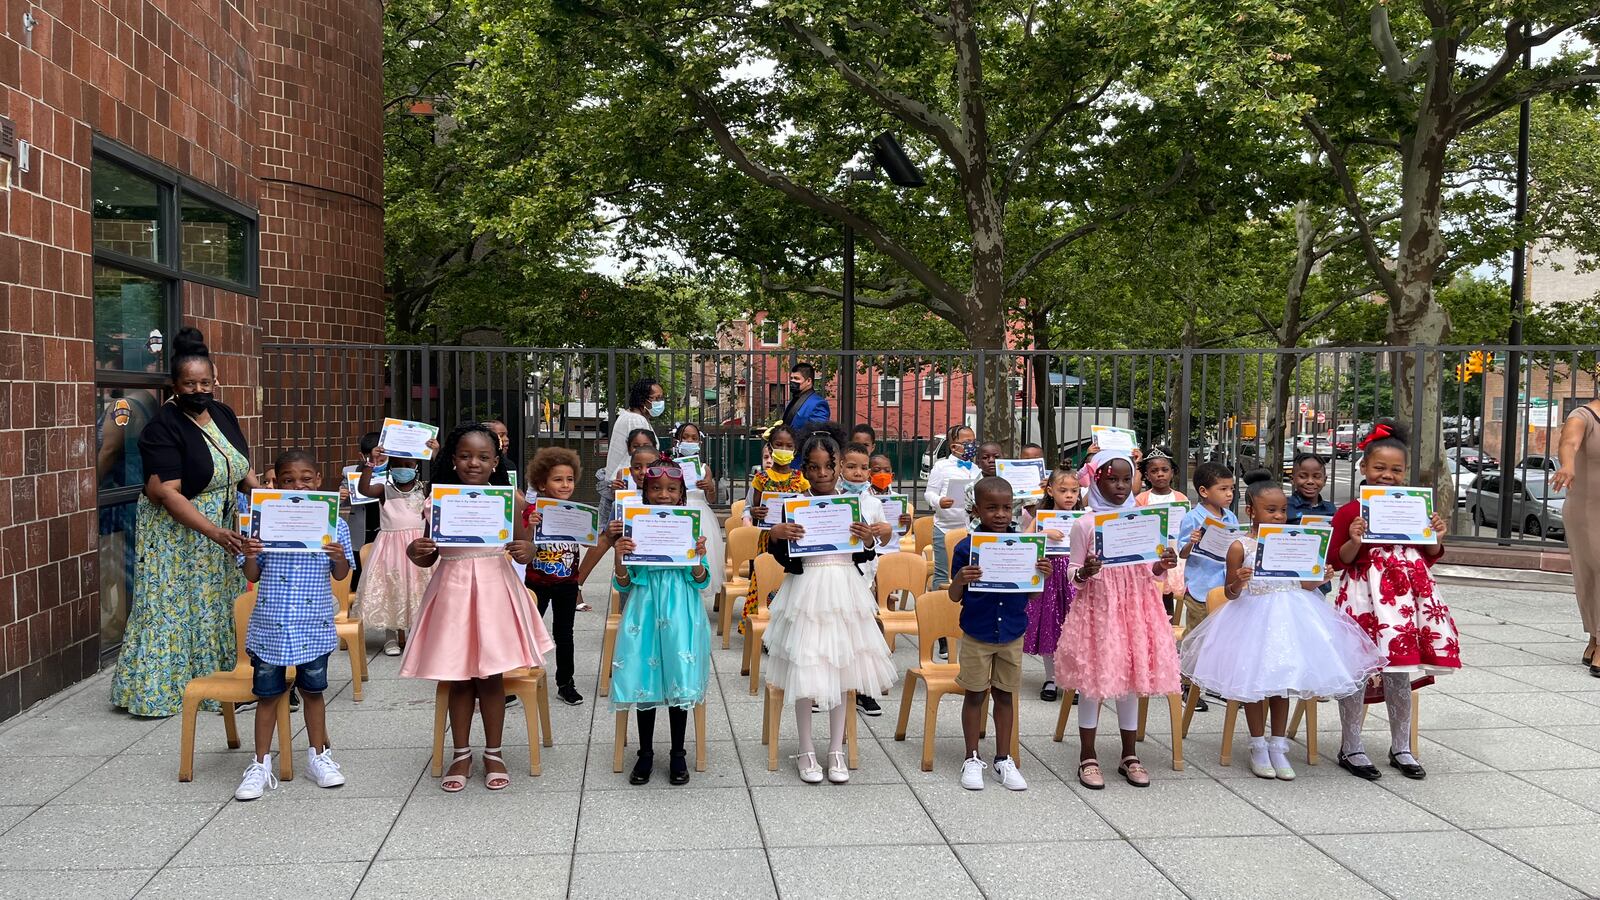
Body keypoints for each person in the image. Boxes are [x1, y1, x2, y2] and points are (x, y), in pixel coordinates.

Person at [1179, 471, 1385, 782]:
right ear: (1251, 510)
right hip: (1252, 617)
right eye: (1270, 510)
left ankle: (1278, 744)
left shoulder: (1297, 541)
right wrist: (1239, 581)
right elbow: (1231, 592)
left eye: (1282, 510)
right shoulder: (1240, 546)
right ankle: (1257, 744)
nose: (1278, 515)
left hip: (1292, 616)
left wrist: (1322, 576)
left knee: (1283, 682)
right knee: (1255, 683)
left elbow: (1305, 583)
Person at [111, 328, 257, 718]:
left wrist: (270, 500)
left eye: (205, 382)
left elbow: (242, 468)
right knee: (175, 609)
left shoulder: (224, 413)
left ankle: (221, 684)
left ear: (215, 380)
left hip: (221, 528)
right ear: (175, 386)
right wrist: (214, 532)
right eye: (190, 384)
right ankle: (163, 690)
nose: (199, 389)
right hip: (180, 532)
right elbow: (168, 493)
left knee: (215, 604)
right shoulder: (162, 427)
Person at [402, 423, 554, 792]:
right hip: (453, 590)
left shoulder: (508, 499)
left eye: (483, 457)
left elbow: (524, 545)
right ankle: (461, 752)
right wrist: (417, 553)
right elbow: (425, 553)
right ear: (453, 460)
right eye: (466, 456)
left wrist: (529, 547)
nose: (474, 463)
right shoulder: (436, 500)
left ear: (495, 461)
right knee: (457, 676)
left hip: (494, 591)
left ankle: (494, 751)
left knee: (491, 677)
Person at [764, 432, 897, 784]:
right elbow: (783, 557)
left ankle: (836, 748)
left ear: (838, 466)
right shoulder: (794, 502)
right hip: (806, 591)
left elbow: (863, 554)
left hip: (844, 590)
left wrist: (867, 539)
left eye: (828, 466)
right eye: (813, 467)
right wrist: (776, 535)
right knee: (805, 671)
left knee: (841, 672)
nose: (822, 473)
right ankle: (806, 749)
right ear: (804, 468)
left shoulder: (852, 504)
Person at [1328, 419, 1455, 782]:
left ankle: (1402, 747)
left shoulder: (1415, 506)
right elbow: (1339, 560)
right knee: (1359, 670)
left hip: (1404, 602)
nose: (1387, 475)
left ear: (1405, 473)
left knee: (1399, 672)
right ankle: (1350, 746)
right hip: (1364, 597)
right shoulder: (1351, 512)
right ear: (1364, 468)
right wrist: (1355, 538)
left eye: (1396, 470)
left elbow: (1430, 553)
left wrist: (1435, 533)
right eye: (1379, 468)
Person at [233, 450, 357, 800]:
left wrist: (340, 558)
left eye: (305, 478)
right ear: (275, 484)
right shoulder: (261, 522)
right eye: (288, 480)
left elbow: (341, 573)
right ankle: (259, 764)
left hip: (312, 624)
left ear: (318, 481)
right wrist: (253, 553)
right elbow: (251, 574)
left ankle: (318, 756)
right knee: (268, 695)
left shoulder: (335, 524)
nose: (297, 485)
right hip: (271, 625)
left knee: (314, 691)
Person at [1056, 449, 1181, 789]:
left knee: (1129, 678)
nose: (1121, 486)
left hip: (1137, 608)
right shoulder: (1085, 523)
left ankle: (1129, 754)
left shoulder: (1143, 518)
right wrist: (1087, 572)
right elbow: (1072, 573)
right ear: (1096, 480)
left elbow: (1150, 569)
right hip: (1099, 608)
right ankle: (1088, 755)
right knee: (1094, 681)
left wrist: (1163, 564)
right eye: (1112, 479)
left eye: (1127, 479)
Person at [596, 462, 713, 785]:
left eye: (671, 489)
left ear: (680, 495)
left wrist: (697, 555)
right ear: (644, 493)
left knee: (679, 676)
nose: (663, 495)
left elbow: (702, 582)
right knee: (643, 679)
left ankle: (678, 753)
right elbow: (623, 584)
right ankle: (644, 752)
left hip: (681, 612)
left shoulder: (689, 529)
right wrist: (620, 556)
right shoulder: (636, 528)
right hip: (644, 609)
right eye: (656, 489)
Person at [950, 477, 1051, 791]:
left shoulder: (1025, 546)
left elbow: (1032, 596)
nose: (1001, 514)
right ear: (977, 509)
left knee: (1005, 695)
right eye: (992, 508)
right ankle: (971, 757)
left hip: (1011, 631)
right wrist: (961, 579)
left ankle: (1003, 758)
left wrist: (1040, 575)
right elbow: (954, 596)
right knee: (975, 694)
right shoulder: (967, 546)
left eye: (1007, 507)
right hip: (977, 633)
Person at [838, 441, 902, 717]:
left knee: (863, 632)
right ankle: (828, 689)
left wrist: (885, 529)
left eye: (864, 468)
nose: (858, 472)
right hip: (836, 572)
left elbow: (885, 539)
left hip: (864, 574)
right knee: (836, 631)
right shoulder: (832, 497)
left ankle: (864, 690)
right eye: (851, 466)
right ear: (840, 467)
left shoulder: (875, 502)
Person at [355, 445, 436, 657]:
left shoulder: (425, 489)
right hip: (390, 548)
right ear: (390, 468)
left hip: (418, 547)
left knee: (418, 589)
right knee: (393, 589)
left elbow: (443, 482)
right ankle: (391, 637)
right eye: (397, 465)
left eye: (408, 465)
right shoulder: (384, 489)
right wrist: (371, 465)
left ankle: (416, 635)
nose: (403, 469)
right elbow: (363, 489)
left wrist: (436, 453)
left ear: (417, 466)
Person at [522, 447, 587, 706]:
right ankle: (520, 675)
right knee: (527, 630)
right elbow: (523, 547)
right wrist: (531, 525)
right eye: (557, 479)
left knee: (564, 633)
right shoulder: (531, 510)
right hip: (536, 581)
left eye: (569, 479)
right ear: (541, 483)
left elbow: (589, 542)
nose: (565, 484)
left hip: (567, 582)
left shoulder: (575, 510)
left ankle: (565, 683)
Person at [1175, 462, 1238, 712]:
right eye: (1223, 489)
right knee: (1196, 636)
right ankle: (1187, 684)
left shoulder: (1230, 517)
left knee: (1222, 637)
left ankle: (1215, 683)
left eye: (1231, 488)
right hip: (1201, 587)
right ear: (1204, 491)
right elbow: (1182, 552)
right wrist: (1191, 542)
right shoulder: (1192, 518)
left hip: (1225, 585)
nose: (1229, 494)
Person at [1022, 468, 1082, 701]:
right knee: (1049, 624)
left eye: (1074, 491)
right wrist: (1043, 533)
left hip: (1072, 578)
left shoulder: (1084, 517)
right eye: (1063, 490)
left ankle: (1075, 679)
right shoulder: (1041, 518)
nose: (1069, 496)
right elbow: (1024, 542)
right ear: (1050, 491)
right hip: (1048, 575)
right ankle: (1051, 677)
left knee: (1074, 627)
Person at [741, 425, 809, 629]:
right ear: (770, 447)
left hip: (793, 539)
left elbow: (807, 506)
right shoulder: (761, 479)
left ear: (795, 450)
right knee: (767, 579)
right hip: (769, 538)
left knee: (790, 581)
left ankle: (788, 627)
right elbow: (752, 506)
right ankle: (765, 626)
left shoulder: (800, 479)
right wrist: (754, 512)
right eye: (779, 445)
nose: (784, 449)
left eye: (789, 446)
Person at [1551, 399, 1599, 676]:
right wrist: (1567, 466)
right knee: (1590, 573)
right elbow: (1568, 443)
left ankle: (1596, 637)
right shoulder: (1584, 415)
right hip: (1588, 509)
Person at [671, 423, 725, 602]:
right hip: (679, 514)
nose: (689, 441)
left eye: (694, 438)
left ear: (700, 442)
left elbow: (711, 498)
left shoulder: (704, 468)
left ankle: (697, 597)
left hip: (701, 514)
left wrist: (710, 487)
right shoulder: (670, 465)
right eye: (685, 437)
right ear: (677, 441)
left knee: (701, 555)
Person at [924, 425, 979, 590]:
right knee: (942, 574)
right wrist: (939, 501)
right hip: (944, 528)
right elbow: (929, 493)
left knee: (965, 574)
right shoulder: (941, 467)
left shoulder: (977, 469)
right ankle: (937, 611)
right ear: (954, 447)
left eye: (973, 441)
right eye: (967, 442)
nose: (972, 446)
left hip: (968, 529)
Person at [1136, 447, 1188, 616]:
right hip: (1150, 553)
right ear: (1147, 475)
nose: (1160, 474)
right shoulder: (1141, 499)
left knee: (1169, 593)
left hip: (1172, 550)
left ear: (1172, 473)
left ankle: (1170, 626)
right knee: (1151, 592)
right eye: (1154, 471)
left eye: (1164, 470)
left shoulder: (1180, 498)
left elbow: (1185, 525)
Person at [601, 379, 663, 520]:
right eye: (657, 398)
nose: (660, 402)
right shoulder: (636, 421)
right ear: (643, 399)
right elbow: (641, 456)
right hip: (631, 487)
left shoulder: (630, 417)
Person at [1287, 453, 1337, 524]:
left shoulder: (1331, 508)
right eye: (1303, 476)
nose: (1310, 481)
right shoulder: (1284, 508)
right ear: (1292, 479)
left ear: (1324, 480)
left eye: (1316, 476)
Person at [783, 363, 832, 430]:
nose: (792, 381)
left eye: (796, 378)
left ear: (809, 381)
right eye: (791, 378)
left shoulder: (818, 404)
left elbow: (817, 434)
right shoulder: (793, 400)